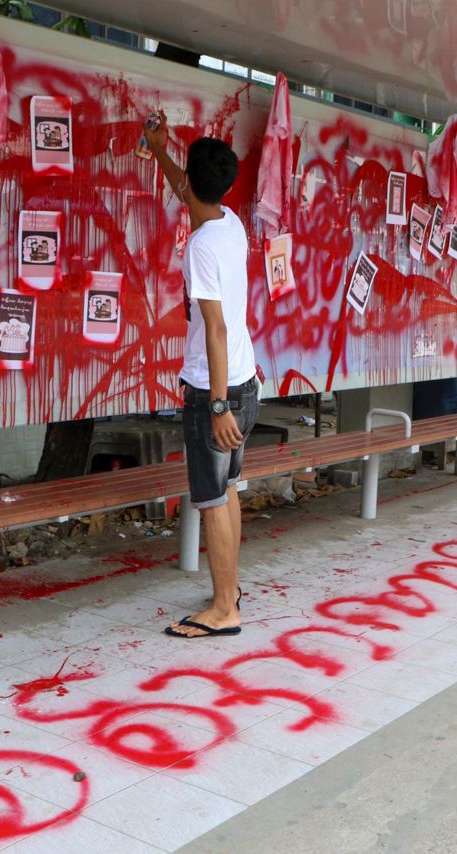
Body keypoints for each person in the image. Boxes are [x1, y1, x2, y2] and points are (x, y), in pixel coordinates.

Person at [145, 114, 259, 636]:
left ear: (194, 182)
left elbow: (212, 328)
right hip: (246, 380)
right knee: (228, 489)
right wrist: (160, 152)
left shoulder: (200, 247)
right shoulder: (227, 224)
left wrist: (215, 408)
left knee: (212, 499)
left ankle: (222, 611)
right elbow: (186, 191)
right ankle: (229, 589)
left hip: (216, 391)